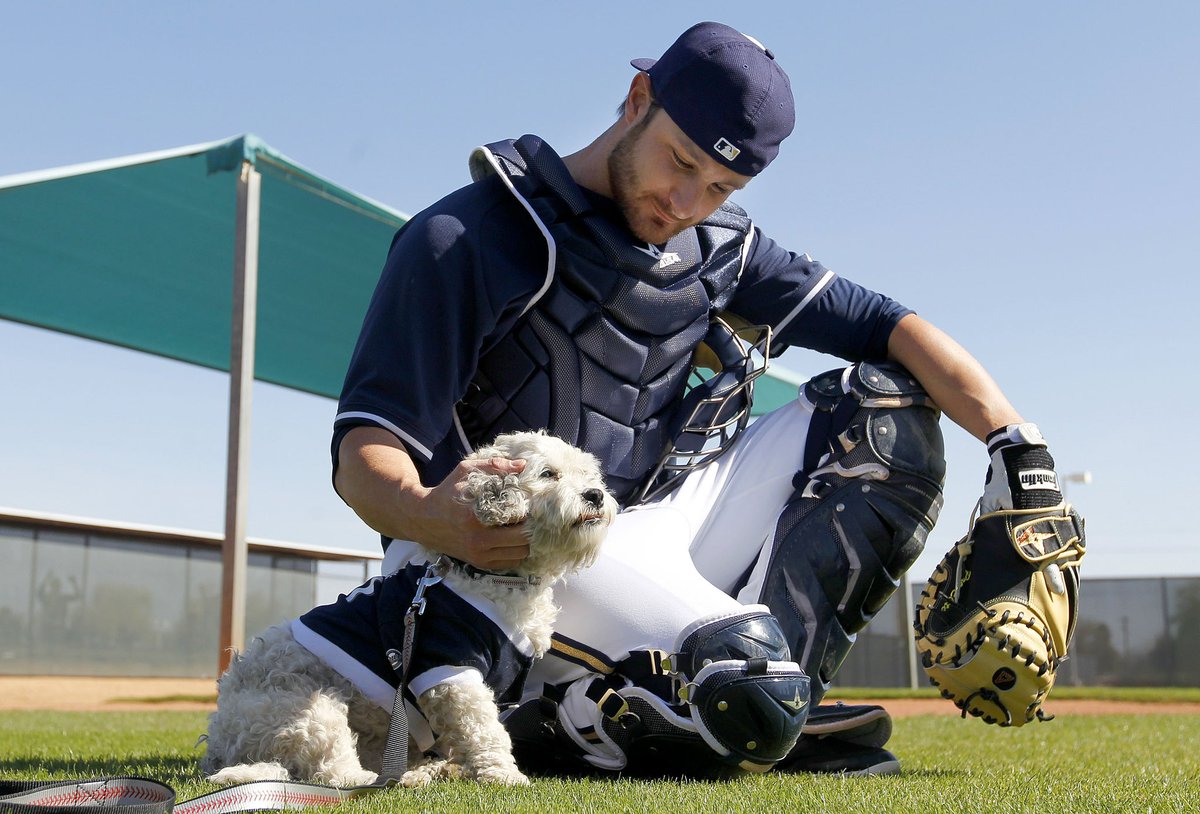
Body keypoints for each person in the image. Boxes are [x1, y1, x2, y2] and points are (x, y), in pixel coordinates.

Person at [331, 21, 1071, 777]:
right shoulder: (469, 234)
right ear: (637, 98)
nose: (686, 200)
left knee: (887, 413)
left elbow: (890, 325)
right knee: (735, 674)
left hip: (650, 528)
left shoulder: (721, 247)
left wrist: (1019, 445)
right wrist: (430, 516)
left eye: (720, 186)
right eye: (678, 162)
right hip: (503, 567)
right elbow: (363, 452)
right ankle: (573, 716)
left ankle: (763, 700)